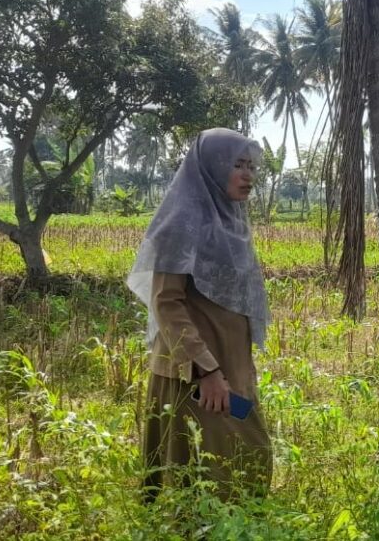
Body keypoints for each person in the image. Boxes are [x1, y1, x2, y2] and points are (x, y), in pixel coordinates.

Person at [128, 128, 273, 500]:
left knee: (250, 457)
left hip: (231, 366)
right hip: (194, 374)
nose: (248, 175)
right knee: (200, 475)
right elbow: (166, 302)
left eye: (251, 166)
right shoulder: (181, 224)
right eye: (237, 165)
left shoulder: (230, 221)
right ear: (213, 167)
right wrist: (205, 370)